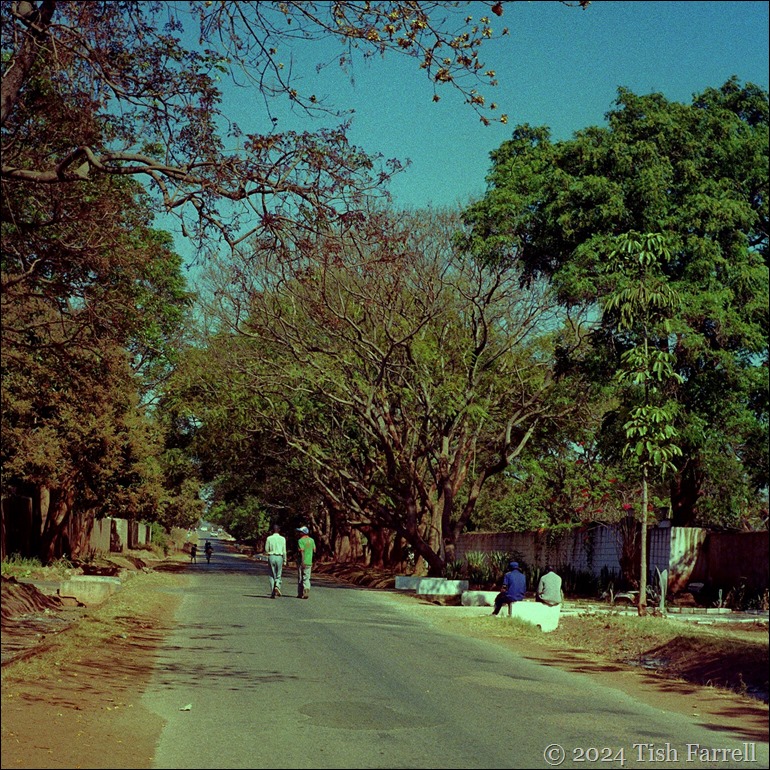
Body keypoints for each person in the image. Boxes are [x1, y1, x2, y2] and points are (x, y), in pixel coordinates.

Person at [264, 523, 287, 598]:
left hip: (271, 556)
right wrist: (285, 560)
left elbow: (266, 549)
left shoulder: (269, 538)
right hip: (279, 557)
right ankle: (277, 585)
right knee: (278, 573)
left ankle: (272, 592)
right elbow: (284, 551)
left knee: (271, 574)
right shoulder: (283, 539)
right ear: (279, 530)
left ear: (272, 530)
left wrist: (269, 552)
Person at [296, 526, 316, 599]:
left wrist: (302, 561)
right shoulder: (312, 540)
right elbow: (314, 550)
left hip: (302, 562)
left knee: (300, 577)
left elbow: (302, 552)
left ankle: (301, 592)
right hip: (309, 562)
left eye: (300, 532)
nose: (299, 533)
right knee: (307, 577)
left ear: (303, 533)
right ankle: (307, 588)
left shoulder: (300, 541)